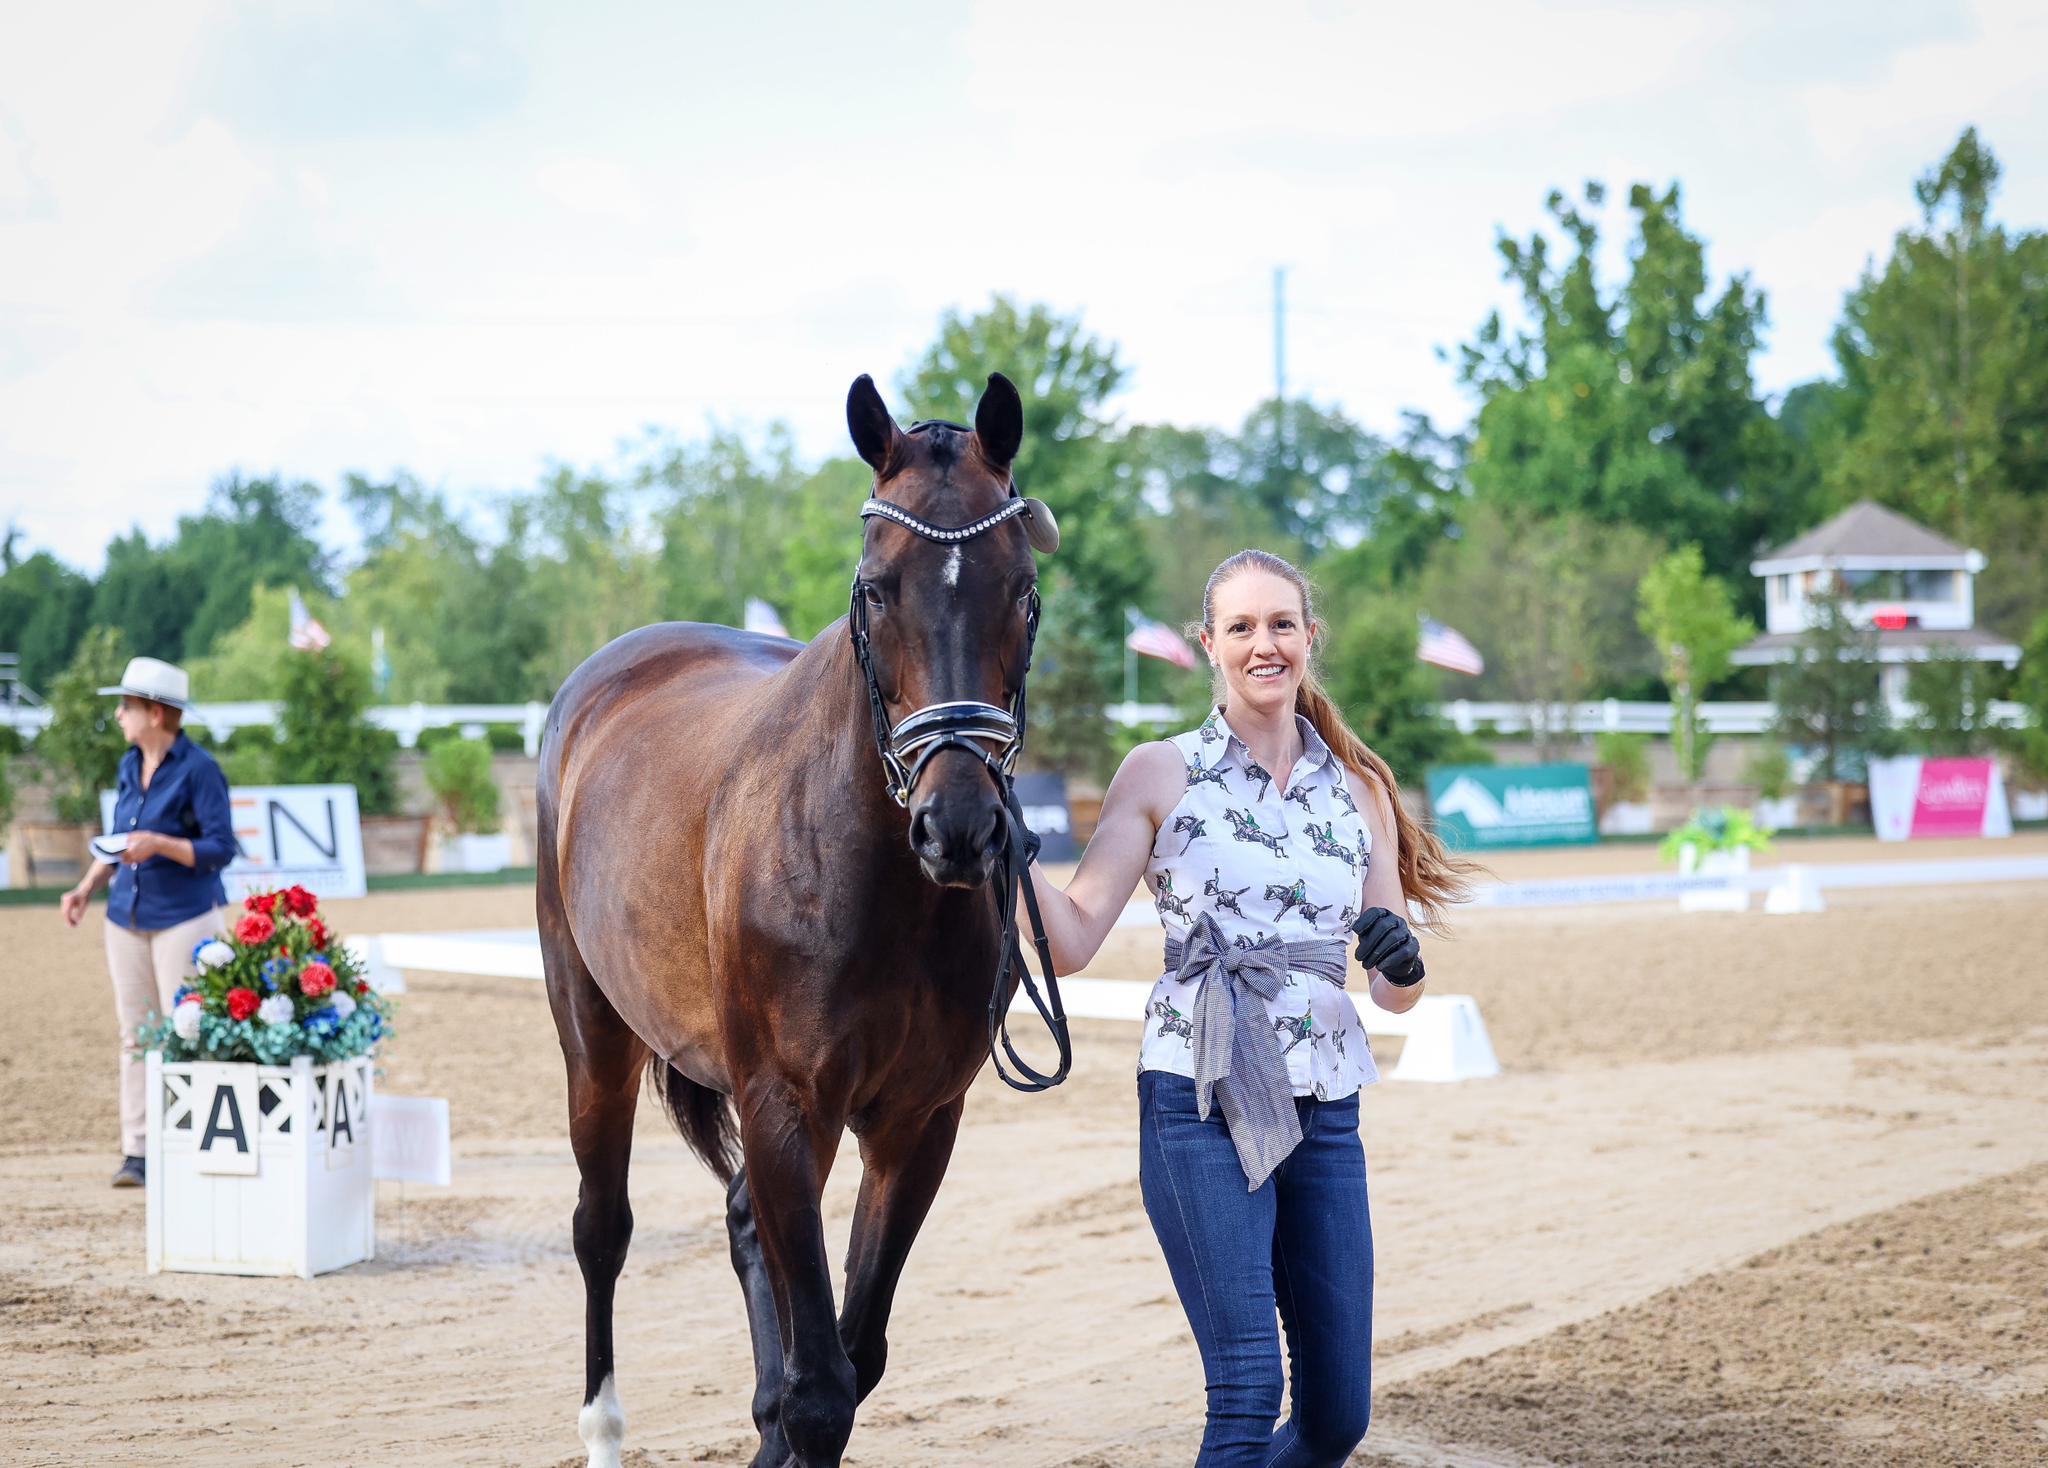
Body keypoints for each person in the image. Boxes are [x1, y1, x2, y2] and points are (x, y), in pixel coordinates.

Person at [1024, 550, 1474, 1465]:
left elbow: (1395, 997)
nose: (1263, 644)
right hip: (1198, 1099)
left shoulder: (1359, 790)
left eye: (1280, 624)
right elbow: (1069, 943)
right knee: (1245, 1389)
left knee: (1336, 1418)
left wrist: (1402, 962)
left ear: (1310, 637)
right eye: (1241, 627)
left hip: (1327, 1109)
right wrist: (1006, 850)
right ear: (1208, 644)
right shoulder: (1159, 771)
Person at [58, 657, 237, 1188]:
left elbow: (220, 848)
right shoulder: (127, 764)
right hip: (125, 917)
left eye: (126, 706)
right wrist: (87, 886)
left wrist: (161, 844)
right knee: (136, 1036)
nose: (119, 715)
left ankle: (198, 1143)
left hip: (185, 917)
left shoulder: (200, 770)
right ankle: (137, 1151)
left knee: (191, 1032)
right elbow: (119, 839)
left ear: (155, 713)